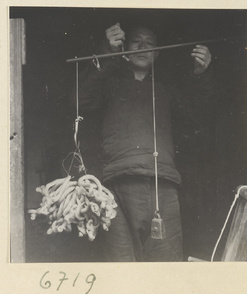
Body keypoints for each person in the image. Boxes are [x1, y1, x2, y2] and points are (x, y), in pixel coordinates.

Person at [74, 23, 216, 262]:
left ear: (157, 53)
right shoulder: (109, 83)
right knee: (120, 265)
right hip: (114, 186)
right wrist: (105, 52)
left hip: (162, 185)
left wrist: (203, 75)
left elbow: (199, 116)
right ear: (125, 49)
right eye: (136, 42)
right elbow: (80, 99)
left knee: (165, 266)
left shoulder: (166, 89)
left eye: (150, 43)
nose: (143, 47)